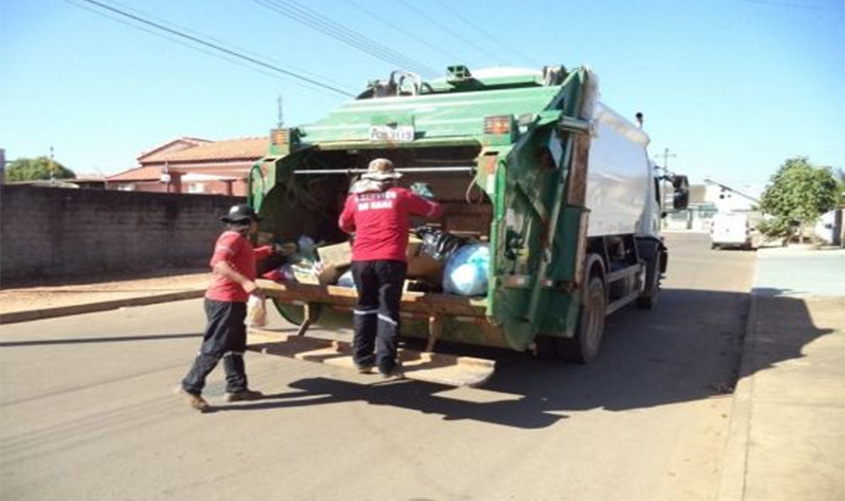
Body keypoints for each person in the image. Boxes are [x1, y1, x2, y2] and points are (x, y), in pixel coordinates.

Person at [338, 158, 444, 378]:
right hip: (390, 261)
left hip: (361, 261)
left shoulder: (356, 199)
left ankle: (362, 359)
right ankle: (386, 364)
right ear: (390, 179)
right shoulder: (401, 195)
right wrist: (425, 196)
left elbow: (344, 224)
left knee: (365, 306)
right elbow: (434, 211)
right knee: (387, 309)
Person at [181, 203, 274, 412]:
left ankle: (237, 388)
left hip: (233, 301)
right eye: (255, 222)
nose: (256, 226)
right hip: (225, 301)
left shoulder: (240, 241)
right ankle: (191, 386)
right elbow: (218, 263)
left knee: (235, 346)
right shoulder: (231, 238)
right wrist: (246, 283)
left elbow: (245, 256)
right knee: (215, 346)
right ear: (248, 223)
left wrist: (269, 251)